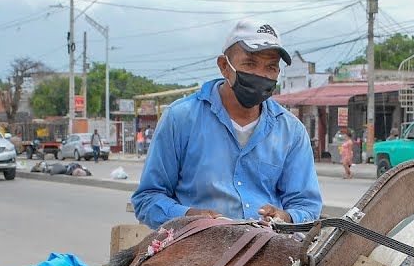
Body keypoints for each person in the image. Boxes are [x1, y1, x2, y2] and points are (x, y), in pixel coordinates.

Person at [131, 18, 322, 229]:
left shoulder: (291, 131)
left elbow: (307, 207)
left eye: (271, 67)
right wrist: (190, 217)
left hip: (267, 248)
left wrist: (284, 217)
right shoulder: (181, 118)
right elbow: (148, 199)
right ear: (224, 66)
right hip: (195, 248)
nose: (260, 75)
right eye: (250, 64)